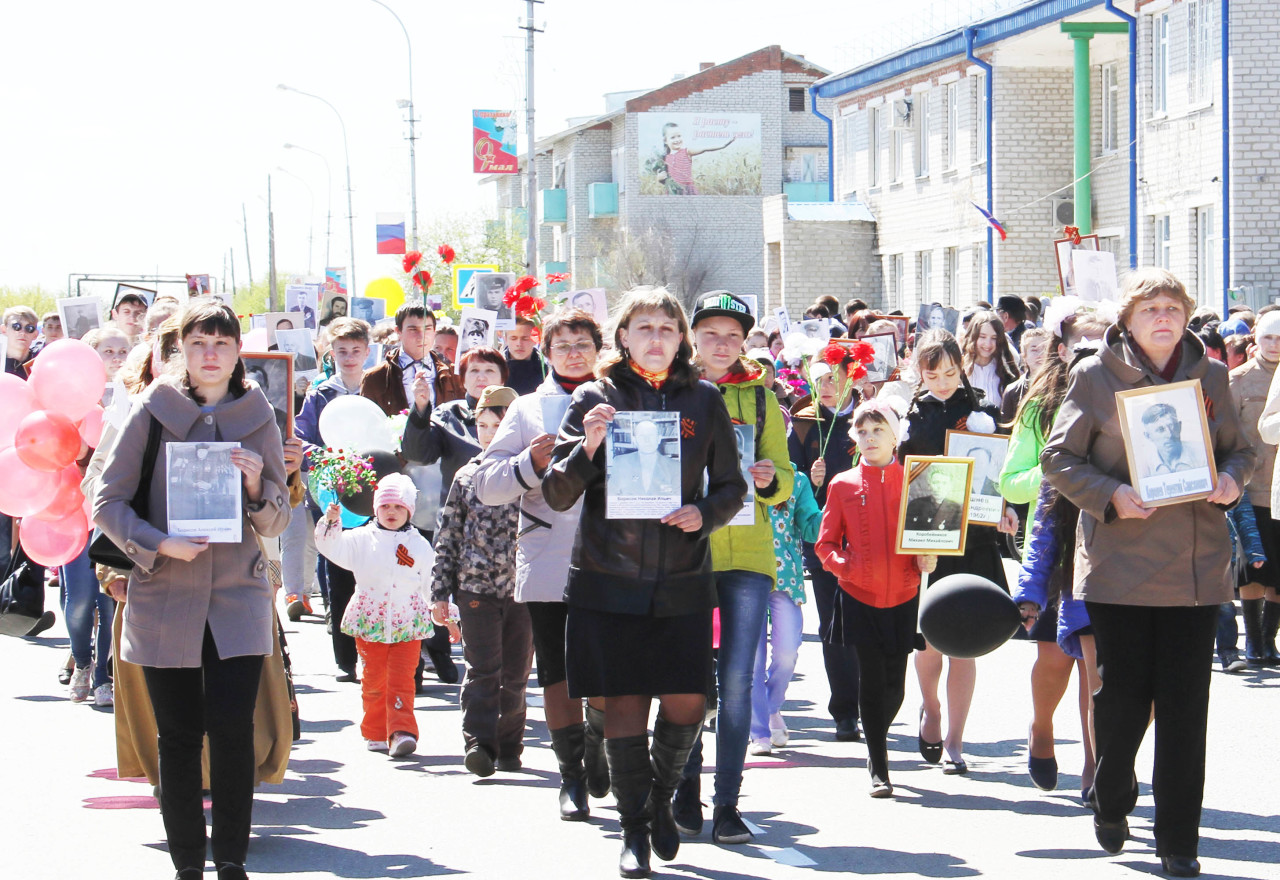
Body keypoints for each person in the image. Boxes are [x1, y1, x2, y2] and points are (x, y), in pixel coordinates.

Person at [1042, 268, 1253, 878]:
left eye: (1172, 307)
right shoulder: (1093, 375)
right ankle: (1112, 799)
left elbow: (1241, 448)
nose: (1163, 317)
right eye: (1150, 308)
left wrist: (1234, 479)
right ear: (1128, 320)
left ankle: (1178, 842)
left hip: (1196, 566)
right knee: (1124, 699)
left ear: (1186, 315)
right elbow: (1059, 458)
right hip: (1120, 564)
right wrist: (1111, 493)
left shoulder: (1212, 375)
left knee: (1186, 707)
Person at [542, 287, 747, 878]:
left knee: (688, 700)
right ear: (623, 337)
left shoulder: (704, 399)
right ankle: (633, 830)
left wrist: (703, 514)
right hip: (608, 580)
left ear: (682, 339)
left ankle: (659, 798)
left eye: (666, 327)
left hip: (682, 578)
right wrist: (591, 444)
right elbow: (557, 492)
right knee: (626, 701)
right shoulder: (593, 396)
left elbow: (733, 486)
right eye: (643, 327)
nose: (655, 338)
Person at [93, 299, 290, 880]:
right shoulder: (152, 411)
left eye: (222, 345)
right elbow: (107, 500)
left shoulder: (259, 416)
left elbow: (276, 520)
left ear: (236, 354)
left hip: (237, 600)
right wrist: (157, 544)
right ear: (181, 348)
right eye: (199, 343)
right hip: (165, 597)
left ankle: (231, 859)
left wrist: (258, 486)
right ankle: (187, 865)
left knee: (233, 734)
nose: (210, 354)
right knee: (177, 737)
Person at [471, 308, 610, 819]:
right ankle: (569, 773)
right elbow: (486, 484)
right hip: (549, 551)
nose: (574, 352)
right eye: (563, 344)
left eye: (583, 343)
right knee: (555, 669)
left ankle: (598, 744)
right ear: (546, 352)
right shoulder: (528, 408)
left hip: (616, 555)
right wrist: (528, 464)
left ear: (599, 348)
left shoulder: (623, 397)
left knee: (606, 670)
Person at [675, 290, 794, 844]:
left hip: (747, 554)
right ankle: (684, 787)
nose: (722, 345)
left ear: (745, 342)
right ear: (692, 337)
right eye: (711, 334)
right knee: (687, 679)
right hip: (682, 553)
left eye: (733, 336)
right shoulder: (671, 392)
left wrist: (770, 481)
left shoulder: (762, 398)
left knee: (738, 682)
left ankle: (728, 804)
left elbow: (788, 480)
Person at [999, 299, 1110, 797]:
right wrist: (1061, 471)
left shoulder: (1122, 393)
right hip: (1054, 546)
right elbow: (1011, 481)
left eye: (1104, 339)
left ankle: (1096, 763)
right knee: (1053, 661)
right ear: (1061, 350)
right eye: (1082, 342)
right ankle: (1042, 729)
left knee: (1097, 666)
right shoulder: (1039, 405)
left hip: (1107, 545)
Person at [899, 328, 1018, 774]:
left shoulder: (984, 411)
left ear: (961, 366)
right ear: (920, 371)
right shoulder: (908, 413)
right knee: (928, 634)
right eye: (934, 373)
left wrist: (1005, 508)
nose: (944, 381)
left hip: (974, 537)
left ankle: (956, 740)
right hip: (925, 534)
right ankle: (930, 708)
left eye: (951, 371)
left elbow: (1001, 472)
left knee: (966, 639)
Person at [817, 399, 936, 797]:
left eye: (878, 430)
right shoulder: (843, 484)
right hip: (859, 594)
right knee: (870, 679)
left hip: (903, 593)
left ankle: (877, 740)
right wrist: (846, 567)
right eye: (863, 432)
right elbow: (825, 544)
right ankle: (879, 763)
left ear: (894, 435)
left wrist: (928, 556)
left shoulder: (917, 480)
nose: (869, 438)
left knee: (895, 686)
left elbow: (931, 536)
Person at [430, 386, 530, 776]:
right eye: (482, 425)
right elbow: (448, 533)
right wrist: (440, 591)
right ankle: (479, 745)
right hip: (475, 588)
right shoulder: (467, 476)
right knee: (482, 668)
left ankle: (510, 745)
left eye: (498, 425)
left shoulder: (530, 475)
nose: (489, 433)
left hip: (522, 589)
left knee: (516, 673)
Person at [315, 474, 436, 757]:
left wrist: (445, 612)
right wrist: (332, 521)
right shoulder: (360, 538)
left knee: (403, 679)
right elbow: (332, 548)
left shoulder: (419, 544)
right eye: (385, 506)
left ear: (409, 511)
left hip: (408, 623)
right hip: (371, 621)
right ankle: (376, 731)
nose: (391, 512)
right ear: (375, 509)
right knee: (373, 680)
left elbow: (432, 581)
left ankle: (401, 731)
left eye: (398, 507)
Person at [787, 349, 864, 743]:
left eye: (835, 379)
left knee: (869, 622)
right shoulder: (803, 425)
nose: (828, 388)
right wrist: (809, 478)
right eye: (821, 381)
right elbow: (788, 484)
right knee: (834, 623)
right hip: (825, 537)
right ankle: (845, 710)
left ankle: (872, 702)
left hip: (869, 534)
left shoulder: (870, 416)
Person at [292, 317, 374, 623]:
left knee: (367, 547)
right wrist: (327, 458)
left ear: (367, 352)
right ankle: (333, 611)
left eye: (355, 350)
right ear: (332, 354)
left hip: (369, 483)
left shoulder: (375, 388)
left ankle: (366, 612)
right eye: (342, 351)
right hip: (328, 484)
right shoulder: (320, 394)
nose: (349, 357)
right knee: (330, 545)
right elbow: (300, 438)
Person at [747, 467, 820, 757]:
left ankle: (772, 707)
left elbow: (811, 527)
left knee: (788, 652)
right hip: (745, 573)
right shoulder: (734, 471)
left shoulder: (797, 480)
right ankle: (758, 731)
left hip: (786, 578)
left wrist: (836, 504)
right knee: (751, 660)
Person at [402, 346, 508, 508]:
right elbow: (418, 456)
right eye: (474, 370)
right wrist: (421, 408)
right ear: (463, 380)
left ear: (502, 379)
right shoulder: (448, 414)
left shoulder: (518, 414)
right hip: (457, 517)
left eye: (489, 370)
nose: (481, 377)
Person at [1240, 308, 1280, 666]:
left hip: (1279, 490)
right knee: (1252, 567)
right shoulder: (1237, 380)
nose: (1275, 344)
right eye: (1269, 337)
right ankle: (1252, 640)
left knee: (1279, 573)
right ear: (1256, 338)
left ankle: (1270, 640)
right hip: (1251, 488)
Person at [606, 418, 680, 497]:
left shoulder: (675, 467)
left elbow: (677, 500)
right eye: (642, 436)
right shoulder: (620, 462)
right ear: (635, 440)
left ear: (659, 439)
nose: (647, 440)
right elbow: (611, 495)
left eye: (651, 435)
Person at [657, 122, 734, 195]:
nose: (677, 140)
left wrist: (723, 145)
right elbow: (665, 179)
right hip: (673, 192)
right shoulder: (664, 158)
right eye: (673, 137)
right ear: (665, 140)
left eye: (679, 136)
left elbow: (704, 149)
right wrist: (659, 179)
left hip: (687, 191)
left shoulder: (686, 152)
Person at [963, 310, 1019, 407]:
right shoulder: (959, 369)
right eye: (982, 337)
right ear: (973, 337)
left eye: (994, 338)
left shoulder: (1006, 372)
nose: (988, 344)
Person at [1139, 403, 1206, 475]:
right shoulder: (1143, 466)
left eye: (1172, 426)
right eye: (1160, 429)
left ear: (1179, 427)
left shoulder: (1203, 453)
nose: (1169, 434)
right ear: (1148, 436)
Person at [904, 464, 965, 532]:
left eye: (944, 483)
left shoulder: (956, 508)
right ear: (929, 485)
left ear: (949, 486)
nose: (939, 487)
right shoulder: (916, 505)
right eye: (936, 482)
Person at [503, 316, 547, 395]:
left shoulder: (546, 369)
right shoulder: (496, 367)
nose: (519, 344)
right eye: (513, 338)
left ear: (536, 339)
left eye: (525, 338)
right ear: (506, 339)